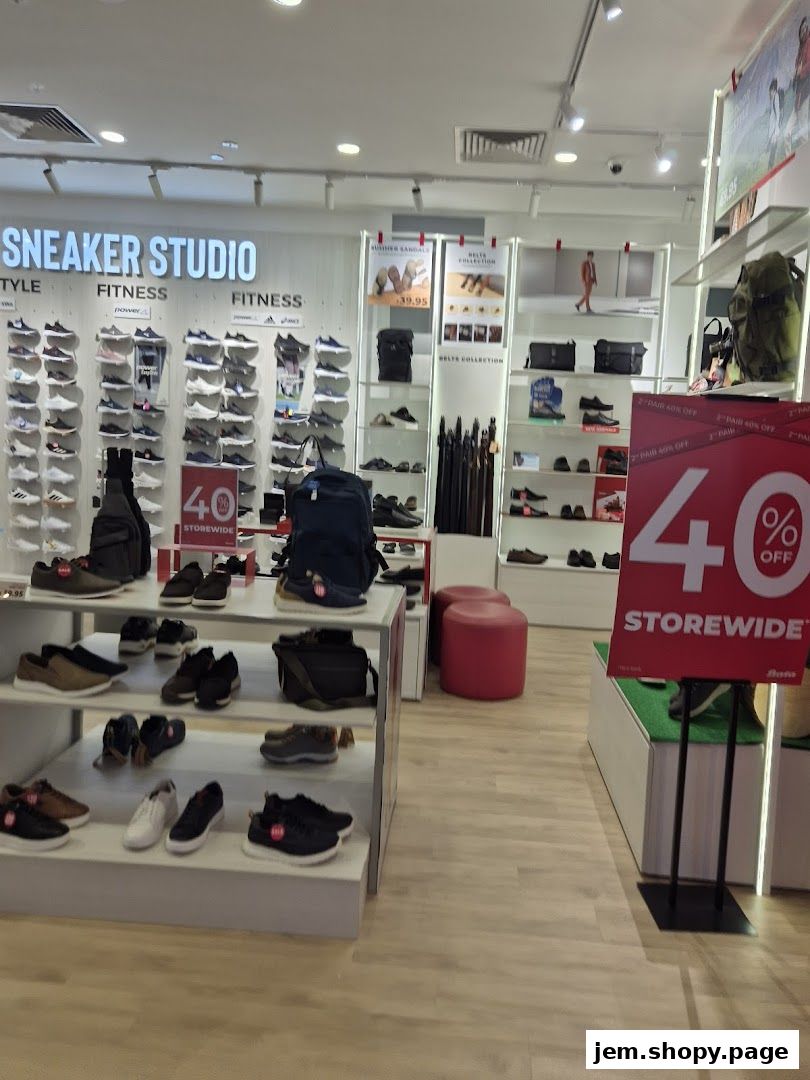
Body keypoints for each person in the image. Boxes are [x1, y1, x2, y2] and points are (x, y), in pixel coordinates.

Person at [791, 16, 810, 146]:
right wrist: (796, 72)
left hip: (806, 84)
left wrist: (801, 70)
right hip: (801, 84)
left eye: (804, 29)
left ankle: (804, 142)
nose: (802, 32)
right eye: (801, 30)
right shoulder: (801, 46)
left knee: (803, 114)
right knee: (799, 114)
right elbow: (798, 63)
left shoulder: (808, 42)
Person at [767, 77, 783, 169]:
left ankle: (771, 166)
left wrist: (776, 129)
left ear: (773, 89)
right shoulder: (773, 98)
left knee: (774, 147)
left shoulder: (776, 97)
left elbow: (777, 112)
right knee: (773, 147)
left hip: (775, 128)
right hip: (774, 128)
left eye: (770, 90)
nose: (769, 93)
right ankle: (771, 166)